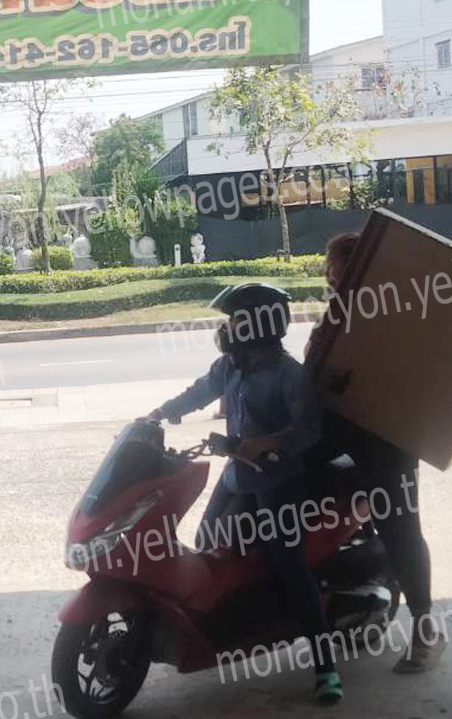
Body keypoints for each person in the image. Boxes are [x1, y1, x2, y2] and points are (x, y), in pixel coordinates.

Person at [143, 283, 345, 705]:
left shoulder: (288, 374)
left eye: (235, 320)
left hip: (279, 482)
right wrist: (159, 414)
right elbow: (199, 392)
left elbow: (309, 430)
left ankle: (326, 668)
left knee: (289, 565)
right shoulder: (229, 366)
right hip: (238, 476)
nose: (227, 328)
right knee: (208, 543)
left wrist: (267, 443)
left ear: (258, 325)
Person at [305, 232, 452, 673]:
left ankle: (426, 628)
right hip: (335, 435)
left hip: (388, 440)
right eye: (331, 280)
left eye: (343, 278)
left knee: (401, 527)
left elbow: (449, 370)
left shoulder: (405, 323)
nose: (335, 286)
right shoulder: (328, 329)